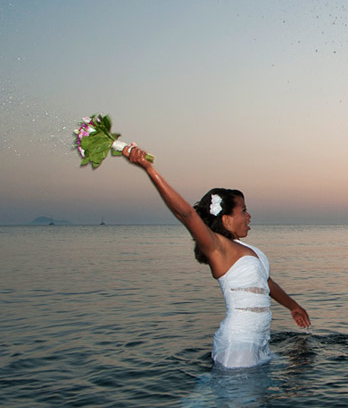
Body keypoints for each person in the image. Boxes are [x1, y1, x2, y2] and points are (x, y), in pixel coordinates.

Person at [124, 143, 310, 368]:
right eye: (243, 210)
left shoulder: (249, 250)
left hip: (260, 344)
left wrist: (293, 306)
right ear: (226, 219)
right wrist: (148, 168)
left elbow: (266, 283)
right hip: (239, 345)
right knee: (234, 399)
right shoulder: (217, 247)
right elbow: (185, 214)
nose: (249, 216)